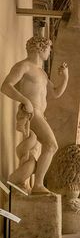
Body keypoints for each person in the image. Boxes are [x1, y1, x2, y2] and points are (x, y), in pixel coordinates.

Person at [1, 35, 68, 194]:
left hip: (39, 114)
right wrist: (25, 100)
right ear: (41, 48)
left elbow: (56, 94)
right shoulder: (24, 66)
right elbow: (5, 86)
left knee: (38, 150)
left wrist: (65, 77)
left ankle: (23, 180)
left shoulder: (42, 73)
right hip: (33, 113)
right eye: (49, 49)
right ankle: (37, 184)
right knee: (51, 145)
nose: (49, 53)